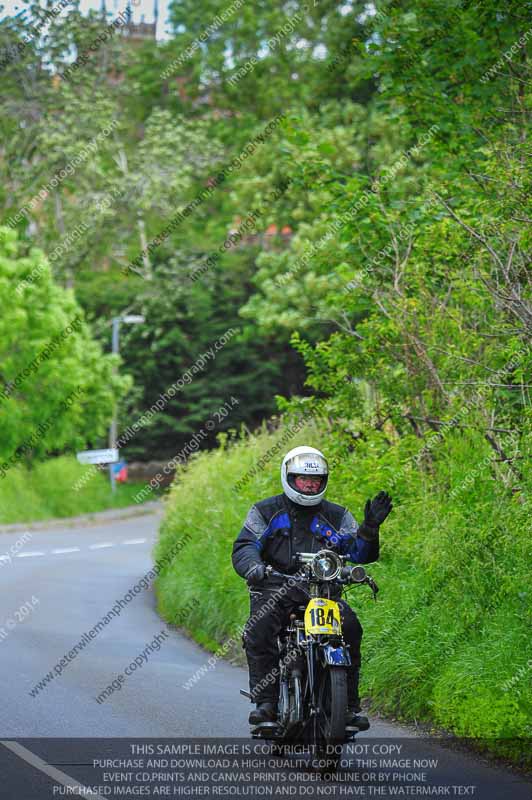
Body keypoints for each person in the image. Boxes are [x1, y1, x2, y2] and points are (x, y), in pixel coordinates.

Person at [232, 445, 393, 728]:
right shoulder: (265, 510)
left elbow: (360, 554)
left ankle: (346, 706)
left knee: (351, 627)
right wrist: (254, 568)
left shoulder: (337, 515)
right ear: (289, 478)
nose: (309, 485)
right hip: (275, 588)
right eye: (303, 479)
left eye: (316, 480)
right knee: (260, 627)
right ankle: (266, 703)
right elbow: (245, 545)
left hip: (322, 592)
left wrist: (370, 527)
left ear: (323, 482)